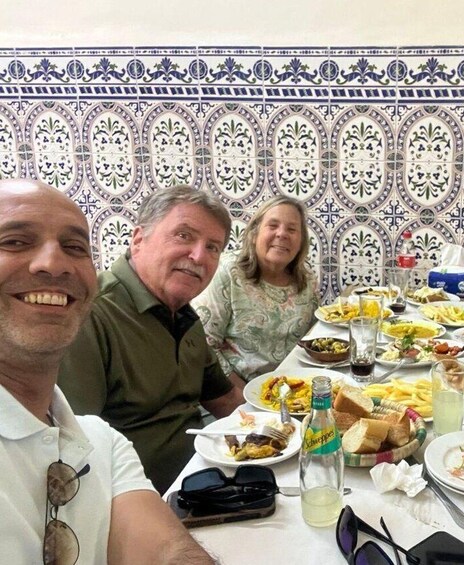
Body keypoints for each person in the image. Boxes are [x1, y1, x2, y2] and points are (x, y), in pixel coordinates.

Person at [0, 179, 214, 563]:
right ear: (137, 241)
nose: (53, 263)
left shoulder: (99, 442)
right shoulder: (102, 316)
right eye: (14, 241)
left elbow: (167, 552)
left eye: (74, 247)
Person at [58, 185, 244, 494]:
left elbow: (224, 399)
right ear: (138, 240)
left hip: (203, 477)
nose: (199, 255)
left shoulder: (184, 315)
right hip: (142, 503)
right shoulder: (89, 315)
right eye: (184, 236)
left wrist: (292, 426)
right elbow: (77, 453)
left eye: (213, 247)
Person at [193, 195, 318, 389]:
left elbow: (312, 339)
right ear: (254, 233)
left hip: (293, 390)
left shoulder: (306, 279)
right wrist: (239, 395)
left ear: (301, 241)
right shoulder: (228, 273)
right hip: (234, 392)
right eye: (273, 225)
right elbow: (203, 346)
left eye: (292, 229)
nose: (282, 234)